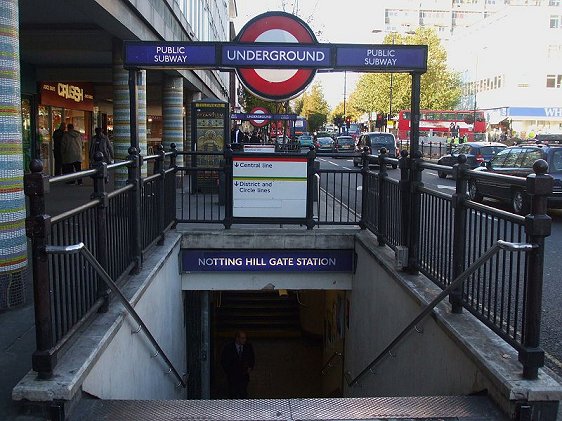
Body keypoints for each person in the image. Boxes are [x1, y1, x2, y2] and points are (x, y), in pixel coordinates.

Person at [220, 330, 255, 399]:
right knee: (233, 394)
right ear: (237, 338)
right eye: (242, 338)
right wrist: (229, 372)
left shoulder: (248, 346)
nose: (244, 340)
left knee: (243, 394)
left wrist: (250, 367)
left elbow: (252, 358)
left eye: (245, 338)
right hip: (233, 376)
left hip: (244, 375)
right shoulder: (228, 348)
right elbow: (224, 360)